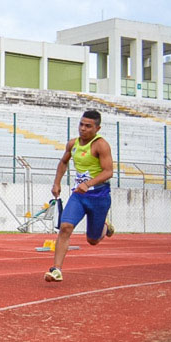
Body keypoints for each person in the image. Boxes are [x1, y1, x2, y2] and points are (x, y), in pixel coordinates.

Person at [45, 109, 114, 282]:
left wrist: (89, 184)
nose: (83, 128)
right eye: (81, 124)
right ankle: (56, 270)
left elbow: (109, 172)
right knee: (65, 227)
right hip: (79, 196)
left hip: (99, 196)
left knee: (93, 240)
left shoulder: (101, 145)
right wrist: (57, 182)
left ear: (97, 128)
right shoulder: (73, 144)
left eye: (88, 126)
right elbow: (63, 162)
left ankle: (105, 226)